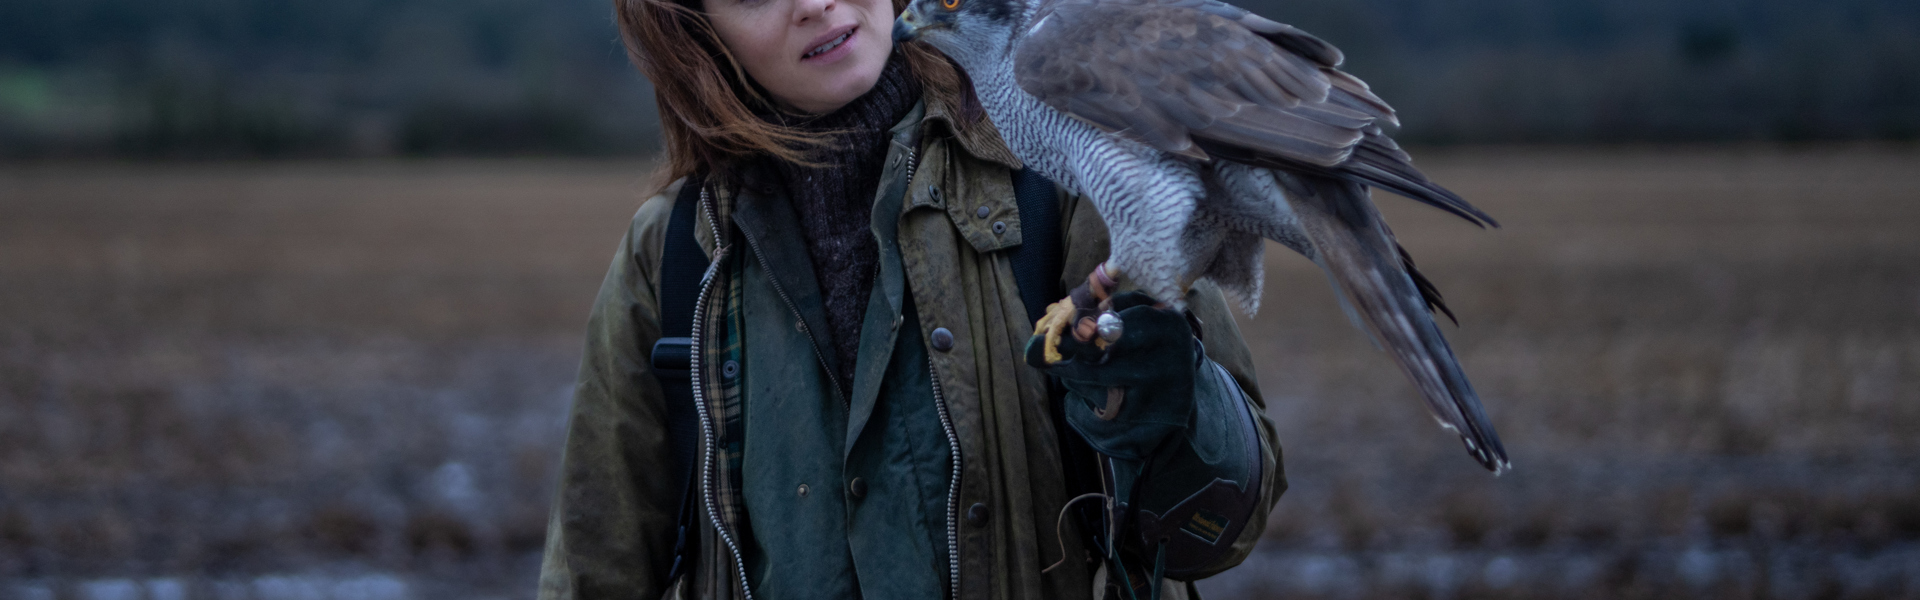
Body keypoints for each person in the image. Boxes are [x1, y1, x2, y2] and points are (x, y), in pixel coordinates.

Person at [535, 0, 1284, 595]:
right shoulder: (673, 253)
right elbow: (595, 569)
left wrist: (1173, 407)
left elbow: (1227, 524)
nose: (815, 4)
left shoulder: (1069, 163)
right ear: (696, 33)